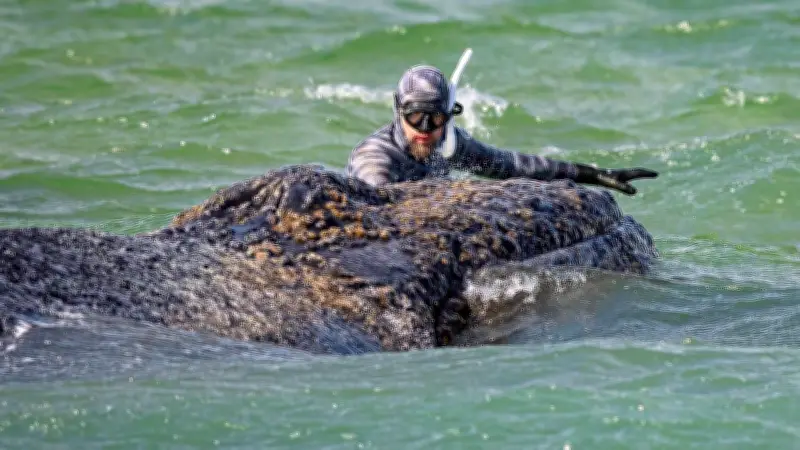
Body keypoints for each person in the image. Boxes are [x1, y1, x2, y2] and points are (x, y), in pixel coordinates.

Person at [345, 64, 659, 195]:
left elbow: (514, 166)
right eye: (416, 118)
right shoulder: (375, 159)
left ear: (448, 116)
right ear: (398, 110)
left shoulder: (448, 143)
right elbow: (376, 207)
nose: (425, 130)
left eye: (436, 119)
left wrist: (593, 175)